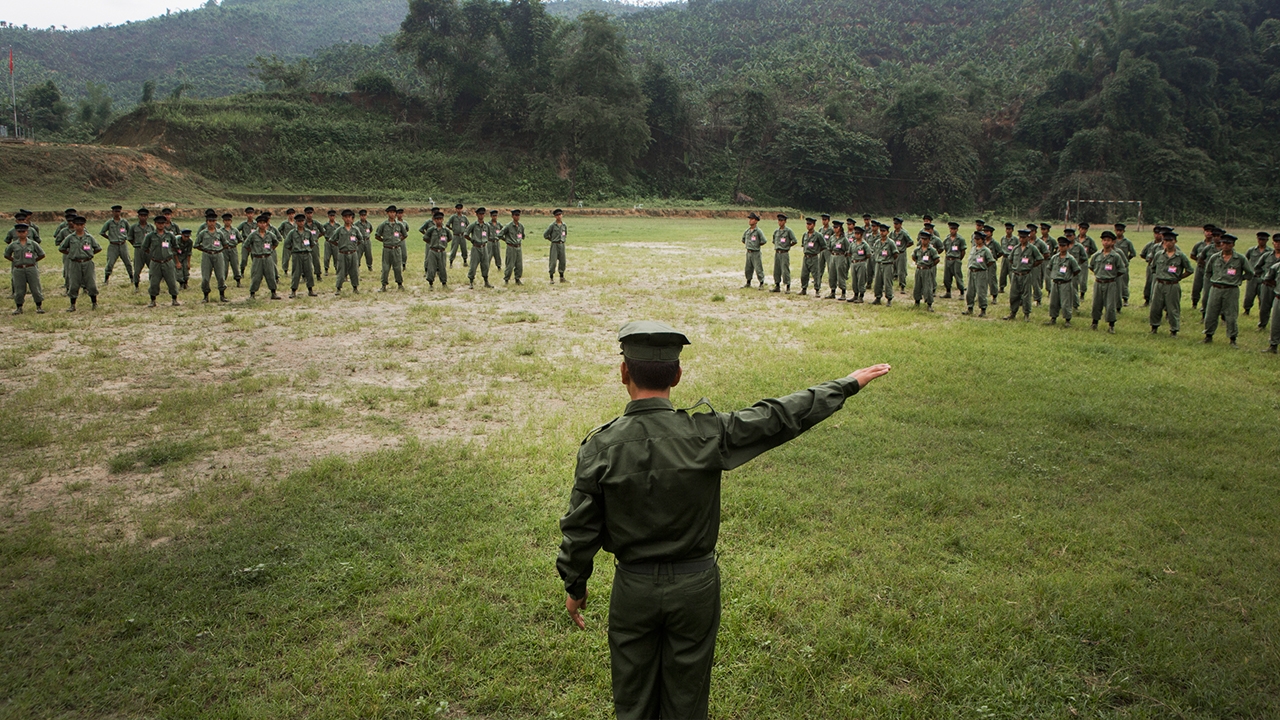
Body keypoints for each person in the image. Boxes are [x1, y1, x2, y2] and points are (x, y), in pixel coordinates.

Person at [556, 320, 891, 720]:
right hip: (696, 587)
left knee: (633, 698)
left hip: (635, 588)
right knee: (688, 699)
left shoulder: (602, 446)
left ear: (623, 372)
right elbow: (778, 416)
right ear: (678, 376)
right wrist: (846, 384)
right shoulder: (708, 432)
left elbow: (581, 529)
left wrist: (575, 585)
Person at [1202, 233, 1252, 346]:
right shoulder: (1215, 257)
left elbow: (1249, 273)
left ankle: (1232, 338)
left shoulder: (1239, 258)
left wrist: (1238, 279)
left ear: (1233, 244)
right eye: (1223, 243)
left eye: (1228, 243)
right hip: (1216, 288)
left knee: (1231, 315)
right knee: (1211, 313)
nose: (1225, 245)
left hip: (1231, 290)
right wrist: (1214, 281)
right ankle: (1208, 335)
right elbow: (1208, 272)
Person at [1148, 230, 1193, 336]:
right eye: (1166, 240)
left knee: (1173, 308)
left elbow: (1190, 270)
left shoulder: (1180, 256)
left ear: (1175, 241)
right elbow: (1153, 267)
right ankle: (1154, 327)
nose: (1168, 243)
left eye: (1170, 240)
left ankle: (1174, 330)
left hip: (1172, 285)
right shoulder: (1159, 254)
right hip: (1159, 284)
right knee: (1155, 307)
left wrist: (1179, 277)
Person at [59, 216, 100, 312]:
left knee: (91, 283)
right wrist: (71, 254)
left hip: (87, 262)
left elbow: (98, 248)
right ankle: (72, 305)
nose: (79, 227)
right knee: (74, 284)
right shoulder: (70, 238)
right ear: (74, 225)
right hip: (75, 263)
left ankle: (94, 303)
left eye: (81, 225)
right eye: (77, 225)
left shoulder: (89, 237)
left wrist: (90, 255)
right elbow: (62, 248)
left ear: (84, 225)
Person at [1088, 231, 1126, 333]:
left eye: (1108, 240)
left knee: (1110, 305)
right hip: (1098, 282)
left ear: (1113, 242)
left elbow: (1121, 270)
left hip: (1110, 283)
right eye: (1104, 240)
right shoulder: (1097, 255)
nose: (1106, 242)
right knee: (1096, 303)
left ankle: (1111, 325)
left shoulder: (1115, 256)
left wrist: (1111, 276)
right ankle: (1094, 322)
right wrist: (1099, 274)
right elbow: (1091, 266)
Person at [141, 215, 181, 307]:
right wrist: (153, 254)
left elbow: (175, 247)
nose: (161, 225)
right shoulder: (150, 236)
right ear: (155, 224)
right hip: (155, 262)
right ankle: (153, 300)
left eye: (163, 223)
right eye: (159, 223)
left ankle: (174, 299)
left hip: (168, 261)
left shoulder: (170, 235)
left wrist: (174, 258)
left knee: (171, 281)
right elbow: (145, 247)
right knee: (154, 282)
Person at [6, 223, 45, 314]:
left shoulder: (32, 243)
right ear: (17, 233)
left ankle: (39, 306)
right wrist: (15, 261)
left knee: (35, 288)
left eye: (23, 231)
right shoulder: (13, 245)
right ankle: (19, 307)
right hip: (18, 269)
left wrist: (33, 261)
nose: (21, 233)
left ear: (27, 232)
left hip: (31, 268)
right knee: (19, 289)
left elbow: (42, 254)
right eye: (19, 232)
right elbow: (7, 255)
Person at [1004, 228, 1042, 321]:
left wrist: (1031, 266)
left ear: (1028, 238)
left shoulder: (1032, 248)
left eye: (1024, 237)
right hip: (1016, 274)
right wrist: (1016, 266)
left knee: (1026, 295)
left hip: (1026, 274)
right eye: (1020, 237)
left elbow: (1040, 259)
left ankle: (1026, 314)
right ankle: (1013, 313)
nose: (1021, 239)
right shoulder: (1016, 248)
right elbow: (1010, 258)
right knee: (1014, 295)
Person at [1045, 237, 1081, 327]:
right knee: (1053, 302)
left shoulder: (1070, 259)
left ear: (1068, 246)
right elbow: (1049, 267)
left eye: (1063, 246)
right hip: (1055, 282)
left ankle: (1067, 320)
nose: (1061, 248)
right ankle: (1053, 318)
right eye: (1060, 246)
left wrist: (1068, 277)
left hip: (1065, 283)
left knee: (1066, 303)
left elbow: (1076, 270)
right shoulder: (1054, 257)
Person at [245, 214, 282, 300]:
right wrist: (254, 251)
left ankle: (273, 293)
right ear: (257, 224)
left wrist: (270, 250)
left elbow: (276, 243)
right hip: (257, 258)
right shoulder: (253, 235)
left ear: (266, 224)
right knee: (256, 276)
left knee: (271, 275)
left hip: (268, 257)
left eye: (264, 223)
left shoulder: (270, 234)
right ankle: (252, 293)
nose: (262, 224)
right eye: (260, 223)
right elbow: (246, 245)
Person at [195, 210, 229, 303]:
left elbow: (225, 244)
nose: (212, 223)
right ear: (207, 222)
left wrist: (219, 250)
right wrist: (205, 250)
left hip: (218, 255)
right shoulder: (203, 233)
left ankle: (222, 295)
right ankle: (205, 296)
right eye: (210, 221)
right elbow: (196, 244)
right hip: (207, 255)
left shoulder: (220, 233)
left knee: (221, 276)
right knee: (205, 277)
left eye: (213, 221)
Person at [962, 231, 994, 316]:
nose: (976, 240)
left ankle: (983, 309)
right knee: (970, 291)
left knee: (981, 292)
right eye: (975, 239)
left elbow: (991, 261)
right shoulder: (973, 249)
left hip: (981, 272)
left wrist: (983, 266)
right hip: (972, 272)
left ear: (982, 240)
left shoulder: (986, 250)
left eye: (978, 239)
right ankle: (969, 308)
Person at [99, 205, 133, 286]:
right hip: (113, 245)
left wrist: (126, 237)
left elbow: (130, 231)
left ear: (120, 212)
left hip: (123, 244)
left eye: (118, 211)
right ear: (112, 212)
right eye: (115, 211)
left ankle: (132, 277)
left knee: (127, 262)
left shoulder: (124, 222)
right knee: (110, 263)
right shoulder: (109, 222)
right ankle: (106, 279)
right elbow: (102, 232)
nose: (117, 213)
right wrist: (110, 238)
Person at [332, 209, 364, 294]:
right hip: (342, 253)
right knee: (341, 271)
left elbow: (361, 239)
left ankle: (355, 287)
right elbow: (332, 240)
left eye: (349, 217)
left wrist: (354, 246)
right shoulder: (340, 230)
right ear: (343, 218)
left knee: (354, 271)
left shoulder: (355, 229)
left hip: (353, 253)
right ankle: (338, 288)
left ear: (352, 218)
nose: (348, 219)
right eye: (346, 217)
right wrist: (339, 245)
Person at [376, 205, 406, 291]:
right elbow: (377, 235)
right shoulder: (383, 225)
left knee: (397, 268)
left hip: (396, 249)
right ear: (387, 213)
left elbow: (405, 235)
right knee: (385, 268)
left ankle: (400, 284)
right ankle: (383, 285)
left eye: (394, 212)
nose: (392, 214)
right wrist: (385, 241)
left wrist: (398, 241)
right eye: (390, 212)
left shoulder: (399, 225)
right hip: (387, 249)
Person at [1255, 233, 1280, 332]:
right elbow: (1257, 267)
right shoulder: (1267, 256)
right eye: (1276, 242)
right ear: (1273, 243)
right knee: (1264, 305)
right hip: (1267, 285)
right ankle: (1262, 324)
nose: (1278, 244)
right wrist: (1263, 278)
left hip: (1278, 286)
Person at [911, 229, 940, 311]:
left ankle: (929, 303)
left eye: (925, 239)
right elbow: (913, 257)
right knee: (917, 286)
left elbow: (937, 259)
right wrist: (917, 263)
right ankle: (917, 301)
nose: (923, 241)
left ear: (929, 240)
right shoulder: (917, 249)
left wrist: (930, 265)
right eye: (922, 239)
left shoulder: (932, 250)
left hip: (927, 270)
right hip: (919, 269)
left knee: (927, 287)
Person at [1190, 225, 1216, 313]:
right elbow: (1192, 255)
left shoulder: (1216, 245)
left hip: (1211, 270)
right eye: (1207, 231)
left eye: (1210, 231)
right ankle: (1194, 303)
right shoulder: (1199, 244)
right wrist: (1199, 261)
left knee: (1207, 287)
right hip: (1200, 268)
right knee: (1197, 286)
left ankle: (1206, 305)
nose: (1208, 233)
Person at [423, 210, 451, 290]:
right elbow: (425, 238)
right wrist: (432, 243)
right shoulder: (431, 230)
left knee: (442, 267)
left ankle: (444, 283)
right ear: (434, 220)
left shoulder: (446, 230)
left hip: (442, 251)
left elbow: (449, 238)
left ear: (443, 220)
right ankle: (430, 283)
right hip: (433, 251)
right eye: (437, 219)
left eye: (440, 219)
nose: (439, 221)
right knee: (431, 267)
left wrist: (443, 244)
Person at [467, 207, 494, 289]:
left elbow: (489, 235)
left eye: (482, 214)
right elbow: (466, 234)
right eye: (480, 214)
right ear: (477, 215)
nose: (481, 216)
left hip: (484, 247)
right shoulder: (473, 225)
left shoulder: (487, 226)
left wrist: (485, 241)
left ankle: (486, 281)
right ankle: (471, 282)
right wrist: (472, 240)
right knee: (473, 265)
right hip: (476, 247)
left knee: (485, 265)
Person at [1244, 231, 1269, 316]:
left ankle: (1262, 312)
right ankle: (1246, 310)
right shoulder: (1251, 250)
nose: (1261, 241)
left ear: (1267, 240)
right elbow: (1244, 260)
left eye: (1263, 239)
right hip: (1252, 277)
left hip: (1263, 277)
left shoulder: (1270, 252)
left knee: (1262, 296)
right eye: (1260, 239)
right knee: (1249, 295)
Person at [129, 208, 154, 293]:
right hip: (138, 249)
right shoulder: (134, 227)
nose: (143, 217)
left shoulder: (151, 227)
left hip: (149, 250)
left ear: (147, 217)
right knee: (137, 269)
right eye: (141, 216)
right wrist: (136, 245)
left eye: (145, 216)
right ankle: (136, 285)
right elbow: (130, 238)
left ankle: (153, 285)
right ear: (138, 216)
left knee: (152, 268)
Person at [872, 222, 897, 306]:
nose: (882, 232)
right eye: (881, 231)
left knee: (887, 282)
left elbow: (895, 254)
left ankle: (889, 298)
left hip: (887, 264)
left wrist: (890, 260)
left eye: (884, 231)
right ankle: (877, 298)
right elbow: (874, 251)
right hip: (878, 263)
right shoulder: (877, 242)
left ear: (887, 232)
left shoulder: (890, 242)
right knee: (877, 282)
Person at [798, 217, 825, 297]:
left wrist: (816, 251)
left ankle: (817, 290)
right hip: (806, 257)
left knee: (816, 274)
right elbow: (803, 244)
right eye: (807, 224)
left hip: (814, 257)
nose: (808, 226)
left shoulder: (818, 235)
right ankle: (804, 289)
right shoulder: (805, 235)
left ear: (814, 225)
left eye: (810, 224)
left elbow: (824, 246)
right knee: (804, 274)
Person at [770, 213, 796, 293]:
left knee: (785, 270)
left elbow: (794, 241)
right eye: (779, 220)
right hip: (777, 253)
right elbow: (774, 241)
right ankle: (777, 285)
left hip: (784, 252)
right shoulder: (776, 232)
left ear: (785, 221)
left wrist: (787, 246)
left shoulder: (788, 231)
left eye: (781, 220)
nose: (780, 222)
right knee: (776, 270)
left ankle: (788, 286)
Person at [848, 223, 872, 303]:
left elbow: (868, 254)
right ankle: (855, 295)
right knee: (854, 280)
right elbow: (850, 253)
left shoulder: (864, 244)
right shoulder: (853, 244)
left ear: (861, 235)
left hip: (861, 263)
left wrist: (862, 259)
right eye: (855, 233)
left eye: (857, 233)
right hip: (854, 263)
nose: (856, 235)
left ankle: (861, 296)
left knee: (861, 280)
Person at [741, 212, 766, 288]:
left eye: (752, 219)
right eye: (750, 219)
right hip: (749, 252)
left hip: (756, 252)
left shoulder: (758, 231)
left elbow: (764, 241)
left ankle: (761, 282)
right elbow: (743, 239)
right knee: (748, 268)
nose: (750, 221)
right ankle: (748, 282)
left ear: (756, 221)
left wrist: (756, 245)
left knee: (758, 268)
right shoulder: (747, 231)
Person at [501, 209, 526, 285]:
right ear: (512, 216)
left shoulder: (521, 226)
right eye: (515, 215)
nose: (517, 217)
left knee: (519, 265)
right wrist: (507, 240)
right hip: (511, 247)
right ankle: (506, 279)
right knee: (510, 265)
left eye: (518, 215)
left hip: (518, 247)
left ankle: (517, 279)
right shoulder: (508, 226)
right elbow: (500, 234)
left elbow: (523, 236)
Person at [825, 220, 849, 300]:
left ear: (840, 228)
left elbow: (848, 249)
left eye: (836, 227)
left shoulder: (844, 239)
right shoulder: (832, 237)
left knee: (840, 274)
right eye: (834, 227)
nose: (835, 229)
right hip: (833, 256)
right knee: (832, 274)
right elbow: (829, 247)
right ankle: (832, 291)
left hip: (840, 256)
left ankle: (843, 292)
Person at [1114, 223, 1136, 306]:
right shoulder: (1112, 241)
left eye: (1120, 231)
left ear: (1123, 231)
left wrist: (1127, 259)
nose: (1119, 232)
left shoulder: (1127, 242)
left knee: (1124, 282)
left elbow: (1133, 253)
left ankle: (1125, 298)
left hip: (1123, 265)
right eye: (1117, 230)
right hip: (1114, 265)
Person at [942, 221, 966, 297]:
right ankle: (948, 292)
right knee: (947, 277)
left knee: (958, 276)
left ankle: (961, 292)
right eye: (951, 229)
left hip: (956, 259)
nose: (953, 230)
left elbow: (963, 251)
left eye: (954, 229)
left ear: (957, 230)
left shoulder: (960, 239)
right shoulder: (946, 239)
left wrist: (959, 259)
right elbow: (945, 249)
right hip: (948, 259)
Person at [888, 217, 912, 292]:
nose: (895, 225)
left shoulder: (904, 233)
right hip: (894, 253)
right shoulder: (892, 233)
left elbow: (911, 242)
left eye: (897, 224)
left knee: (901, 271)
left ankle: (902, 286)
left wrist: (904, 247)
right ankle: (889, 285)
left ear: (900, 224)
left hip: (901, 253)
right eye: (894, 224)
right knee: (891, 269)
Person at [545, 209, 568, 283]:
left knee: (562, 261)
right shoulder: (552, 225)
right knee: (553, 262)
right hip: (555, 244)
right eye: (557, 215)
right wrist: (552, 240)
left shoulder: (564, 225)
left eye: (560, 214)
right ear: (555, 216)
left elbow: (565, 234)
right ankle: (551, 277)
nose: (559, 216)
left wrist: (563, 240)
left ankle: (562, 277)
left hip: (562, 244)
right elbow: (545, 235)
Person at [220, 212, 242, 287]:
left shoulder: (235, 230)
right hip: (224, 250)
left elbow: (240, 239)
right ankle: (223, 281)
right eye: (225, 220)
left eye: (228, 220)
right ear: (223, 221)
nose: (227, 222)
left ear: (231, 221)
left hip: (233, 249)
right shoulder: (220, 231)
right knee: (224, 266)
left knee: (235, 265)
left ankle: (238, 280)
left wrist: (234, 244)